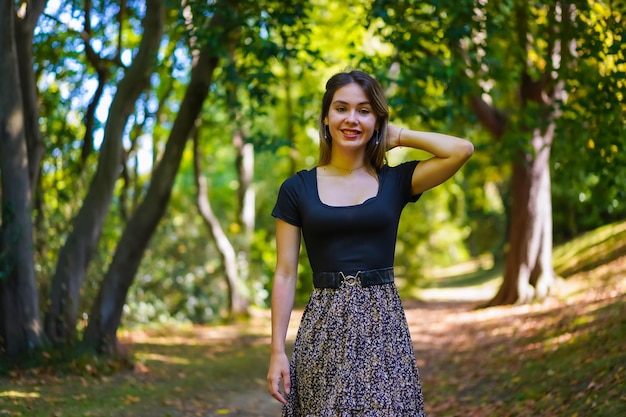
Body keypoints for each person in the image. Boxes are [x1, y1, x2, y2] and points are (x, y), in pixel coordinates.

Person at [267, 69, 474, 416]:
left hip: (384, 328)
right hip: (323, 331)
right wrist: (276, 351)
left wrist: (399, 136)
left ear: (378, 119)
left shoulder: (396, 181)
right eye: (341, 108)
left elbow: (461, 150)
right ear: (325, 118)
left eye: (364, 110)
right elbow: (285, 274)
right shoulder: (297, 189)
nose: (351, 119)